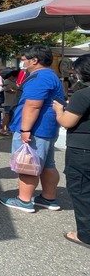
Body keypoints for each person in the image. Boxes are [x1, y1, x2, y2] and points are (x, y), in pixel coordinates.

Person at [1, 45, 64, 213]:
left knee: (28, 164)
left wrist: (25, 130)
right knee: (47, 164)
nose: (22, 63)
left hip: (35, 129)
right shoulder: (51, 76)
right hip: (47, 128)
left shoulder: (39, 77)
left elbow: (32, 106)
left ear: (34, 60)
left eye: (24, 60)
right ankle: (48, 198)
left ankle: (24, 200)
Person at [52, 53, 90, 248]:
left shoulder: (83, 95)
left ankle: (85, 234)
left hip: (82, 150)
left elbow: (67, 122)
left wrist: (60, 110)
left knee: (81, 190)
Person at [0, 70, 19, 135]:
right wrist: (17, 91)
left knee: (9, 116)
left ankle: (7, 129)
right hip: (8, 101)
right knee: (7, 116)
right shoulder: (7, 82)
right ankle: (4, 129)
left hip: (12, 102)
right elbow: (8, 90)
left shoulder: (12, 82)